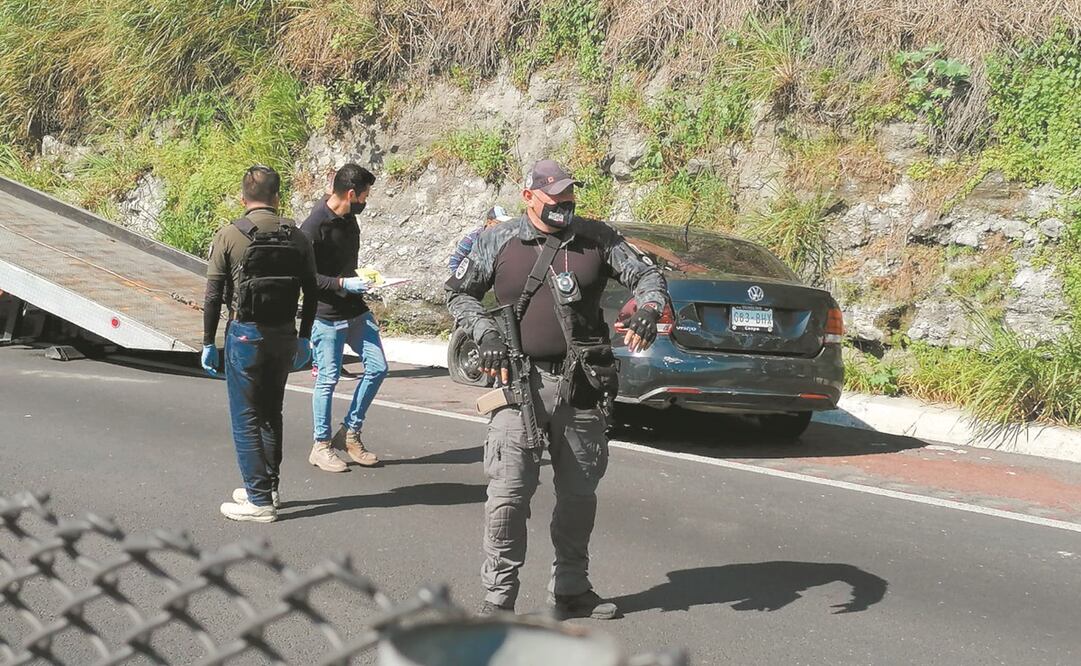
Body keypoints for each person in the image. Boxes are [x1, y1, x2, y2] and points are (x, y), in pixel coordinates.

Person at [446, 159, 669, 619]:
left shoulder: (598, 238)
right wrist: (484, 334)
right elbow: (458, 293)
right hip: (517, 383)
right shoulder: (497, 240)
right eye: (555, 199)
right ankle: (498, 600)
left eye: (570, 198)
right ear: (529, 197)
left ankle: (570, 588)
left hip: (581, 385)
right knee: (508, 494)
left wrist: (650, 306)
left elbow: (648, 275)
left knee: (579, 495)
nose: (565, 207)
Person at [201, 165, 319, 523]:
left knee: (246, 416)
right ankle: (270, 487)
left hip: (246, 334)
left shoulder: (230, 236)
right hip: (284, 333)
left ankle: (258, 500)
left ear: (243, 198)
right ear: (277, 198)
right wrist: (303, 337)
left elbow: (212, 296)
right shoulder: (298, 237)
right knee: (271, 413)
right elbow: (312, 292)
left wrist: (208, 342)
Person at [300, 163, 386, 473]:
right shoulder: (313, 227)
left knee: (378, 367)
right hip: (327, 316)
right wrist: (340, 284)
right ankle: (321, 446)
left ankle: (350, 433)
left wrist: (365, 278)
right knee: (328, 379)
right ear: (351, 194)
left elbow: (346, 263)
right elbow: (306, 277)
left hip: (355, 309)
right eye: (364, 195)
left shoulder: (349, 220)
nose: (366, 201)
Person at [448, 205, 513, 274]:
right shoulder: (472, 238)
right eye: (499, 223)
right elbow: (454, 261)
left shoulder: (504, 240)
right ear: (489, 222)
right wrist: (460, 280)